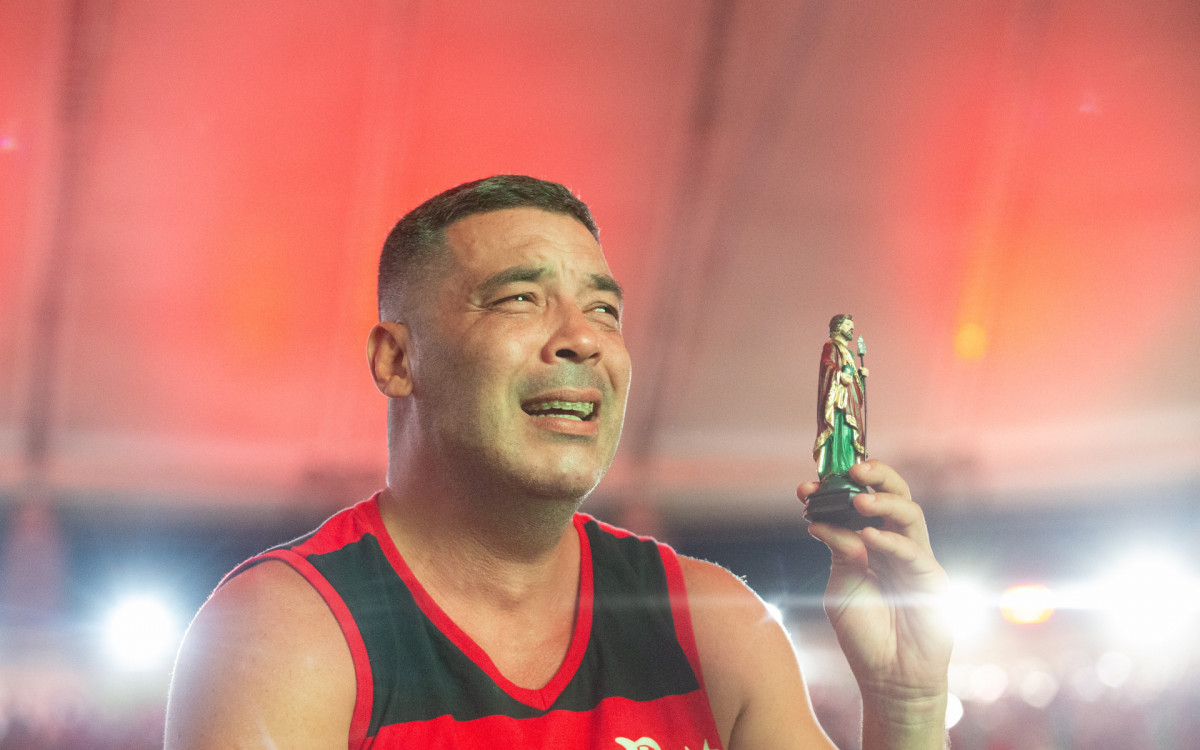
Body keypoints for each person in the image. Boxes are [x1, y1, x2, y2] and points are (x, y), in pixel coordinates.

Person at [165, 175, 952, 749]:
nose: (582, 338)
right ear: (398, 360)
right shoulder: (285, 638)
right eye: (518, 298)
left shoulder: (709, 626)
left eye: (604, 309)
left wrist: (907, 697)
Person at [814, 313, 868, 479]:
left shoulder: (850, 354)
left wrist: (861, 377)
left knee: (851, 436)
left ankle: (851, 469)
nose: (851, 328)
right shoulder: (831, 347)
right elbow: (826, 366)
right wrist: (838, 375)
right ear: (837, 327)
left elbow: (855, 386)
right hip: (839, 402)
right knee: (840, 433)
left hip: (851, 404)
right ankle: (836, 469)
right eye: (847, 325)